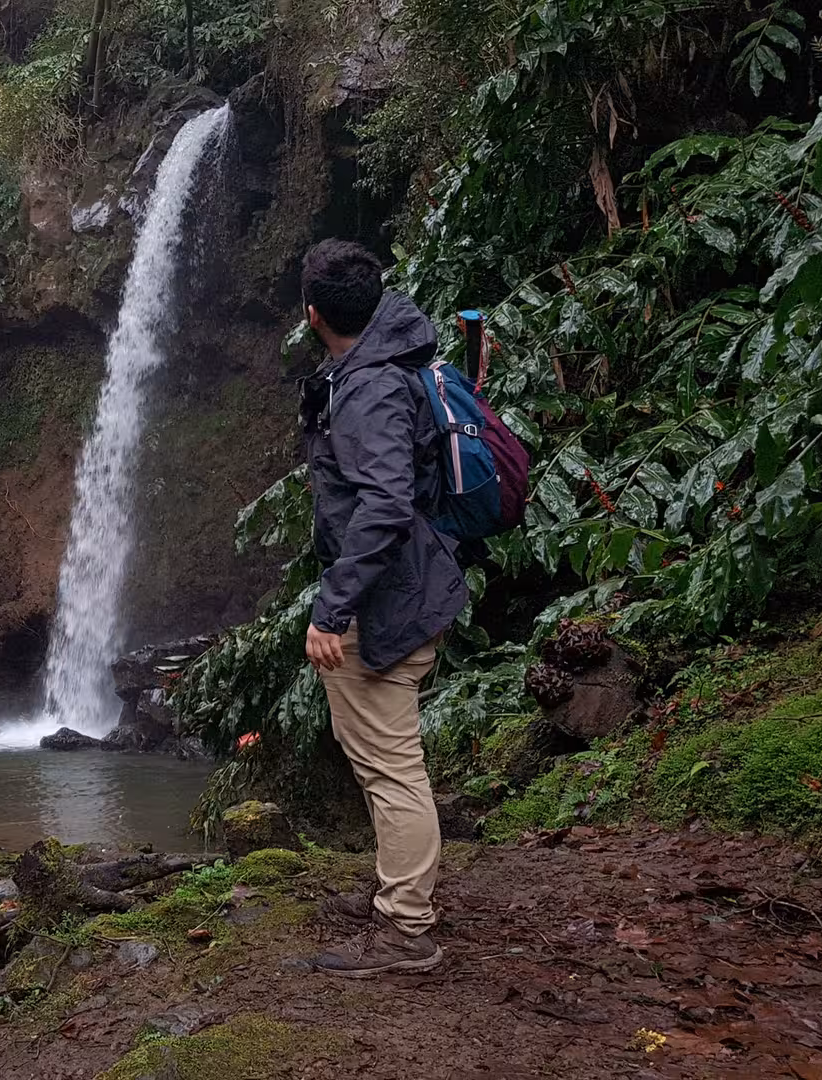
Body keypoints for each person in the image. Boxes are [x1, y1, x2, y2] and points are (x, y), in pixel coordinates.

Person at [296, 240, 467, 977]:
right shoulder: (392, 362)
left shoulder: (366, 388)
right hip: (407, 586)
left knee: (392, 766)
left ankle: (404, 930)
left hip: (384, 600)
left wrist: (333, 610)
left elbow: (386, 500)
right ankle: (399, 897)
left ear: (312, 315)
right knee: (386, 760)